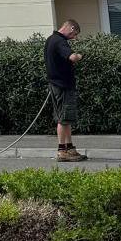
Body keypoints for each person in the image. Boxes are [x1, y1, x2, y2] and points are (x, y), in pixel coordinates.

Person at [45, 18, 86, 162]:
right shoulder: (60, 41)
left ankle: (70, 148)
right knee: (63, 118)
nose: (74, 38)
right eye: (75, 35)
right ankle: (62, 150)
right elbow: (72, 57)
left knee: (66, 118)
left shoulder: (50, 39)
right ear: (71, 29)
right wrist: (79, 56)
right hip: (63, 85)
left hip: (56, 84)